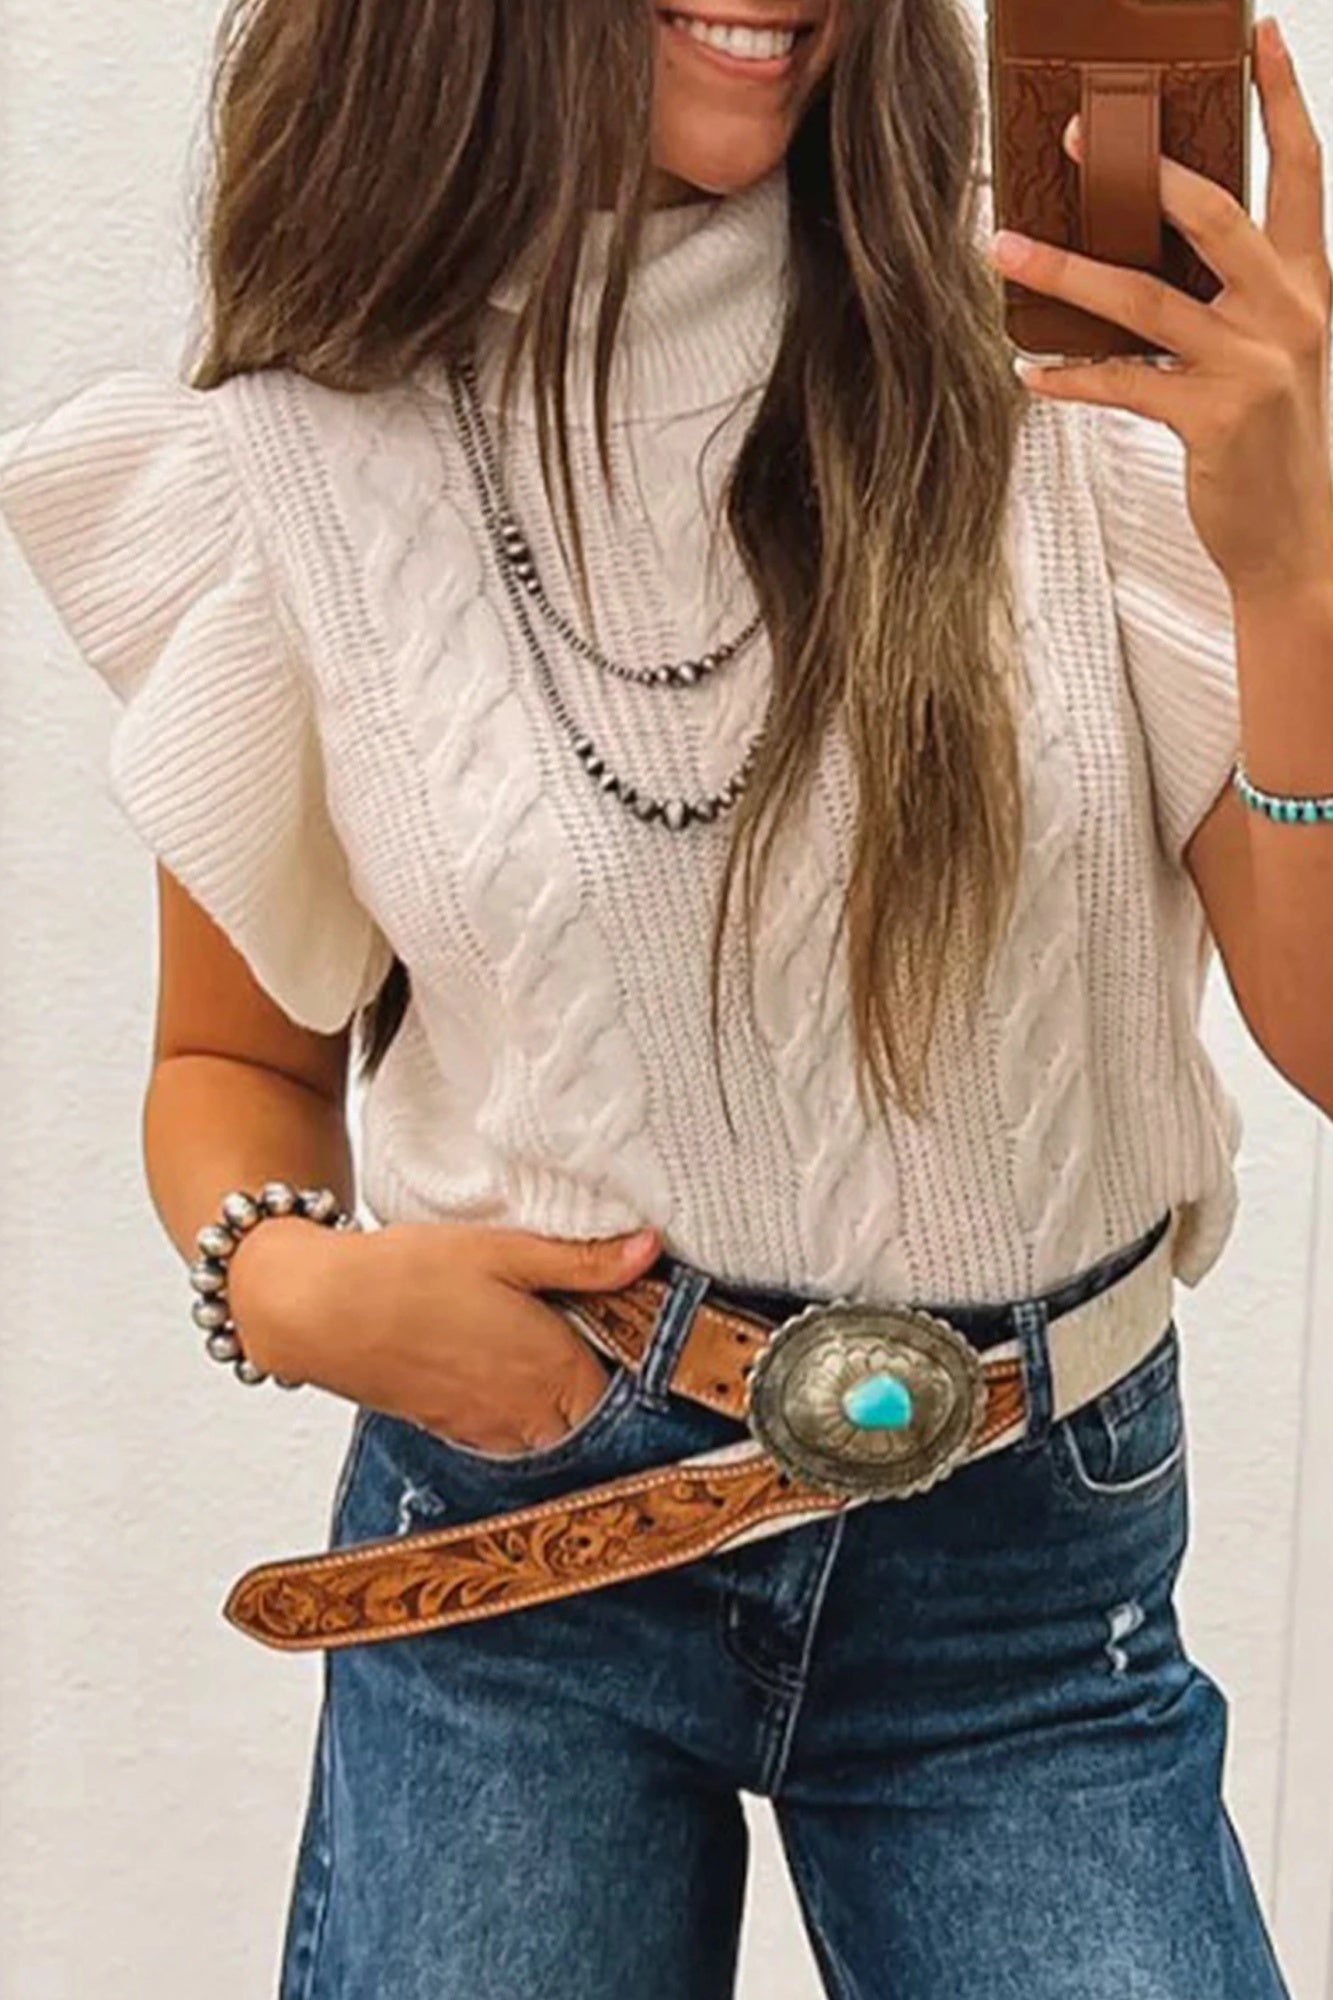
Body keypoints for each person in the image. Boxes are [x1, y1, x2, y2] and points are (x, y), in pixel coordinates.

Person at [0, 0, 1319, 1994]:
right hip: (519, 1557)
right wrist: (292, 1290)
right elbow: (228, 1060)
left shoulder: (1067, 361)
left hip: (1024, 1583)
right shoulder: (297, 461)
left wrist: (1292, 574)